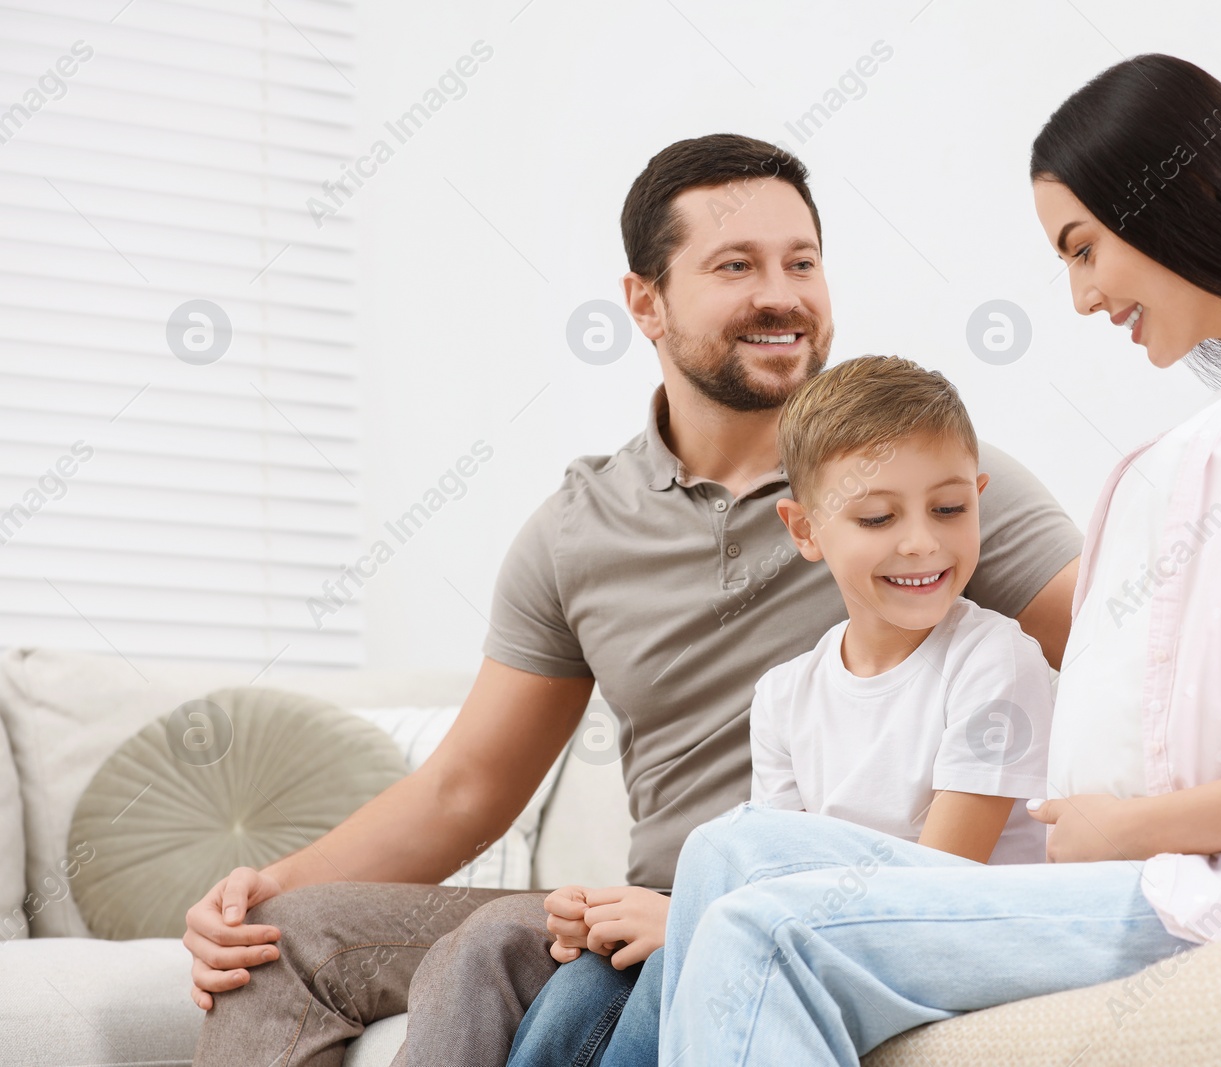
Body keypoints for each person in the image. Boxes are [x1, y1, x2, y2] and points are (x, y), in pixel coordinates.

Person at [656, 54, 1221, 1065]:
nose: (1080, 296)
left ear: (1178, 198)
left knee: (769, 932)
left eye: (1082, 248)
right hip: (1133, 867)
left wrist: (1136, 825)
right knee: (730, 849)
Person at [184, 133, 1087, 1067]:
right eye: (736, 264)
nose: (781, 293)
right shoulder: (578, 530)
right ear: (644, 303)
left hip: (813, 908)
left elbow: (1119, 673)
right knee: (276, 941)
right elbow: (465, 788)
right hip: (626, 912)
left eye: (802, 262)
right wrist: (262, 888)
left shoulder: (937, 491)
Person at [506, 355, 1056, 1066]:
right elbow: (775, 872)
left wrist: (691, 919)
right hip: (823, 930)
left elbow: (939, 884)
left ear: (979, 497)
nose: (922, 539)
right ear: (804, 529)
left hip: (938, 937)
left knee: (688, 960)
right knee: (581, 990)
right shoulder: (787, 693)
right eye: (877, 515)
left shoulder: (994, 660)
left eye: (950, 508)